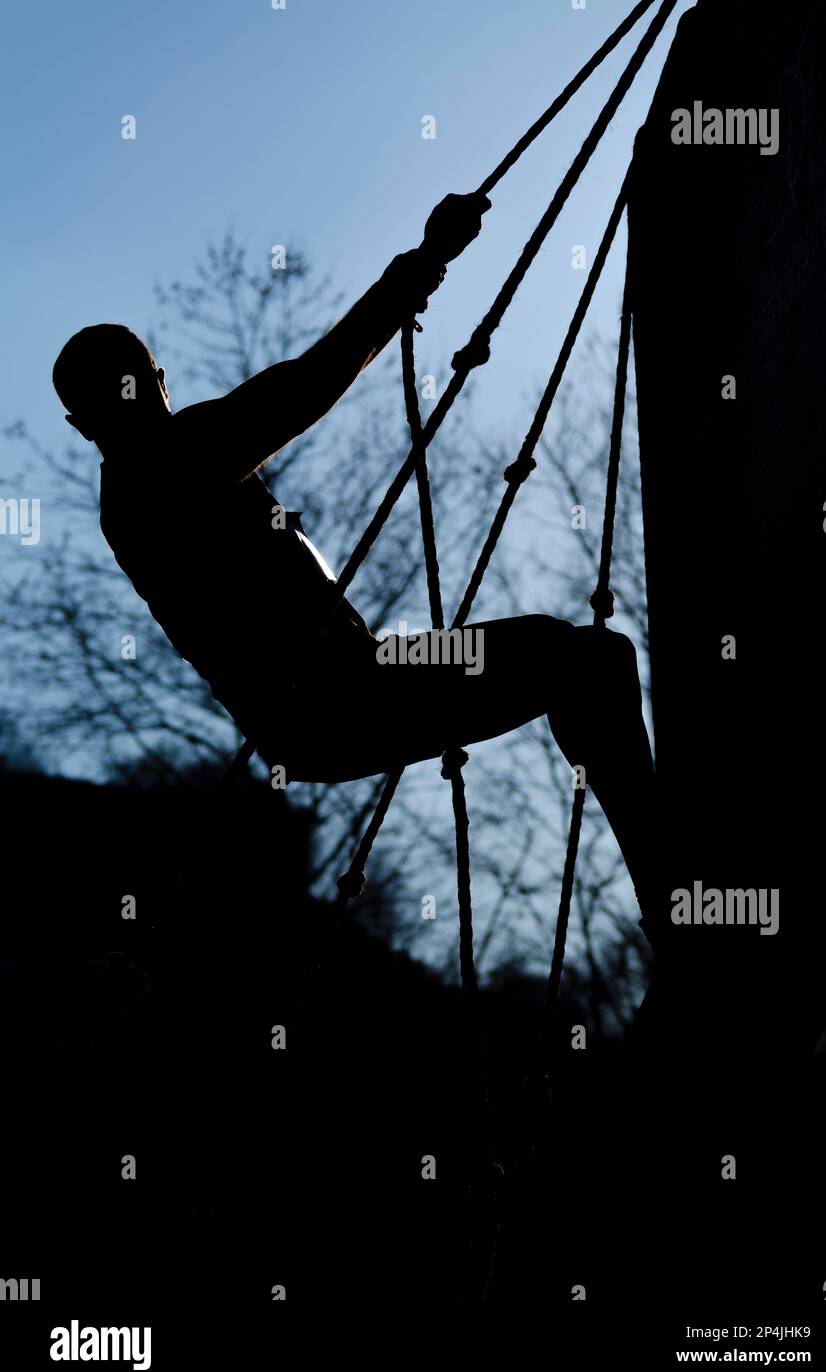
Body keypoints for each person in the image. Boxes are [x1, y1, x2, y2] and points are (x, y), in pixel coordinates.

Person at [52, 191, 658, 913]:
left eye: (142, 385)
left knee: (580, 658)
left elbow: (286, 396)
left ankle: (674, 903)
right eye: (129, 390)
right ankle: (676, 905)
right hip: (334, 700)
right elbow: (302, 387)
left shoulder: (154, 479)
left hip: (346, 690)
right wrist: (426, 264)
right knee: (585, 662)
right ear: (97, 416)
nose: (145, 400)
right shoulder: (158, 471)